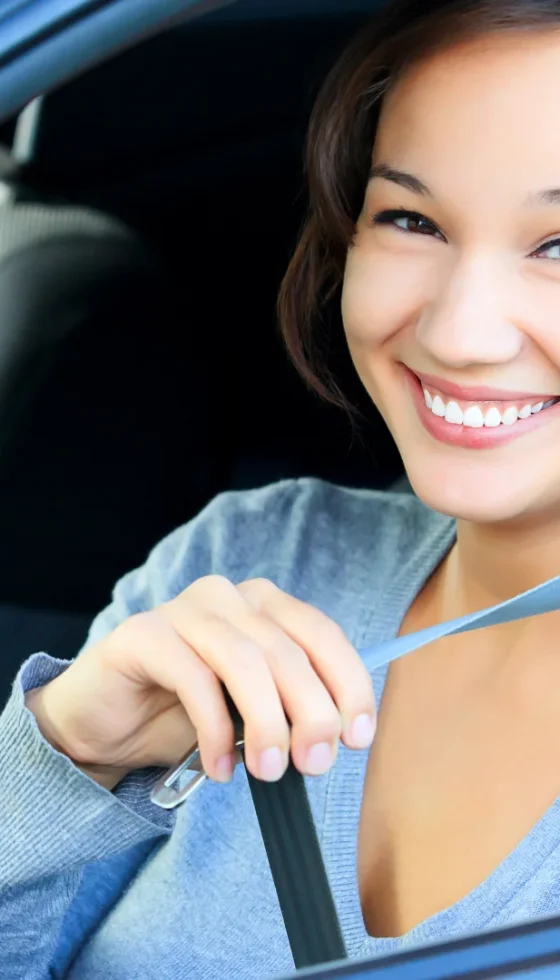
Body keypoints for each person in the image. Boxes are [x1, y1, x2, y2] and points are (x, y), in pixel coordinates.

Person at [4, 0, 560, 977]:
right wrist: (66, 754)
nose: (460, 331)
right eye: (408, 218)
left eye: (555, 247)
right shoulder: (255, 561)